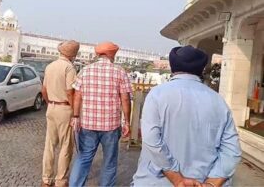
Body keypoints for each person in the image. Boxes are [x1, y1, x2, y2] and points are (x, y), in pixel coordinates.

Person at [131, 45, 241, 187]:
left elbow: (151, 140)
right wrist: (212, 183)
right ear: (201, 69)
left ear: (172, 67)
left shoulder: (157, 95)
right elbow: (232, 150)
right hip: (202, 181)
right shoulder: (219, 101)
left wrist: (177, 179)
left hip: (155, 182)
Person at [69, 41, 132, 187]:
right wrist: (126, 122)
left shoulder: (86, 70)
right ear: (112, 56)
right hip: (111, 125)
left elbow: (77, 95)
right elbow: (125, 99)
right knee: (109, 161)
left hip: (88, 125)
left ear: (98, 54)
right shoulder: (120, 72)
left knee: (83, 158)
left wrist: (76, 116)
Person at [41, 40, 80, 187]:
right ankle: (60, 180)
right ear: (73, 55)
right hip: (65, 108)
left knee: (49, 145)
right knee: (65, 146)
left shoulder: (50, 66)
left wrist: (50, 103)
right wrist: (75, 111)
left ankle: (46, 179)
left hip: (51, 107)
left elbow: (43, 90)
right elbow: (70, 92)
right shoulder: (69, 68)